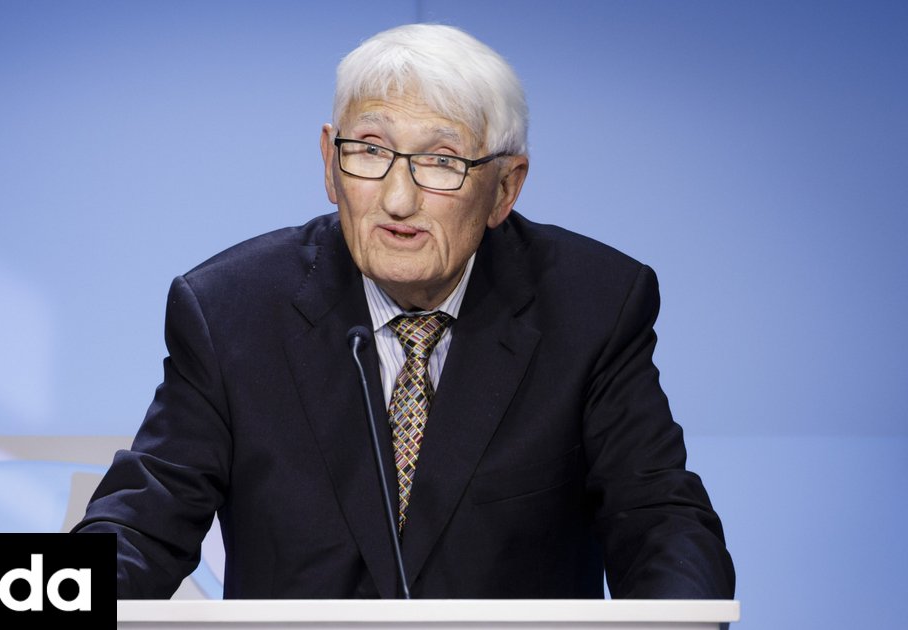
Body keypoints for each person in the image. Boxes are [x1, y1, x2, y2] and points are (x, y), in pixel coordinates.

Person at [74, 23, 735, 600]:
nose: (397, 199)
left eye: (441, 161)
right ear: (329, 163)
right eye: (370, 150)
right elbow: (141, 523)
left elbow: (659, 520)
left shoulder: (592, 307)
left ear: (505, 187)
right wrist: (52, 598)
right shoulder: (231, 311)